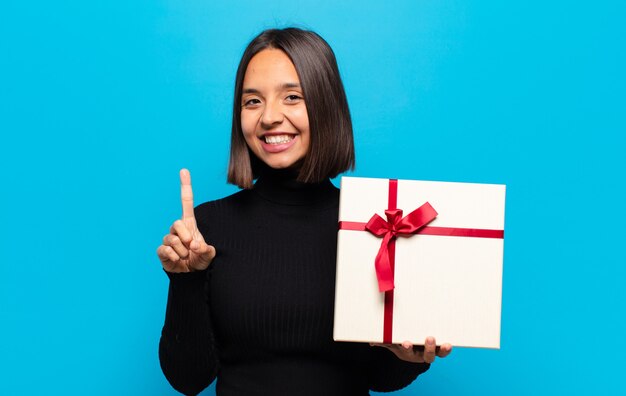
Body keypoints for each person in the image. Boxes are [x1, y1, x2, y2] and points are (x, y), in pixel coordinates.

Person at [156, 27, 452, 396]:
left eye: (291, 97)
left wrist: (411, 358)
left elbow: (379, 377)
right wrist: (186, 280)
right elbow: (187, 378)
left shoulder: (376, 227)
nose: (268, 118)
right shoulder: (207, 229)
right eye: (252, 101)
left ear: (326, 104)